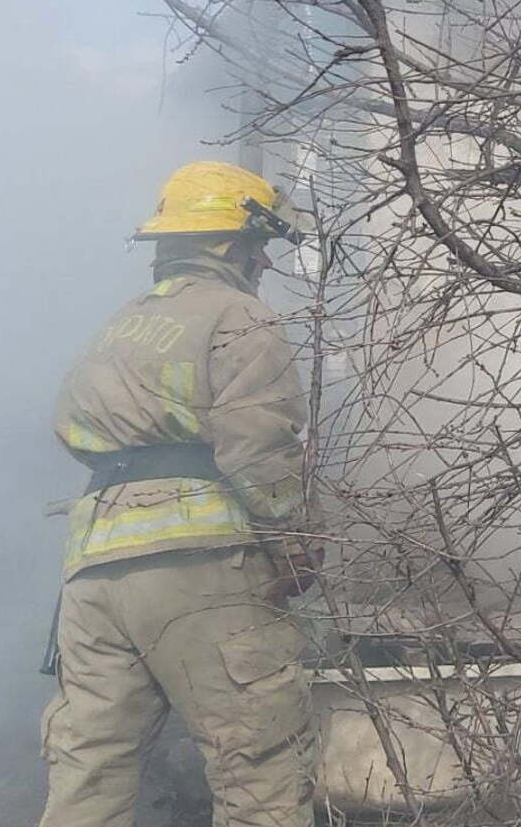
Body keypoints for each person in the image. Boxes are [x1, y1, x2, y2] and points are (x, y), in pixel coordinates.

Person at [38, 161, 321, 827]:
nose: (263, 261)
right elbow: (260, 450)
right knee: (259, 761)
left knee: (88, 772)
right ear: (231, 241)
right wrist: (299, 544)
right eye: (259, 245)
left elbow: (70, 427)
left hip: (94, 574)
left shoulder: (119, 326)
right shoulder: (241, 317)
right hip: (199, 567)